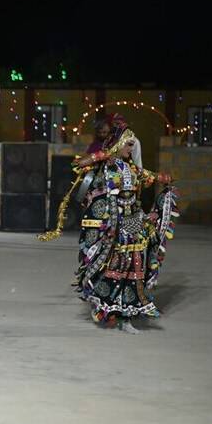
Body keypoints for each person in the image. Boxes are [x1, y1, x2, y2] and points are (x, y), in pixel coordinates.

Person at [40, 129, 179, 333]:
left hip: (132, 221)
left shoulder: (132, 168)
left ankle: (126, 317)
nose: (131, 148)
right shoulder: (105, 167)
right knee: (113, 267)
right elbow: (77, 165)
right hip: (113, 223)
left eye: (132, 145)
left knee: (134, 268)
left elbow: (150, 176)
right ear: (118, 144)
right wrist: (103, 154)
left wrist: (163, 178)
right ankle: (106, 308)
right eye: (128, 144)